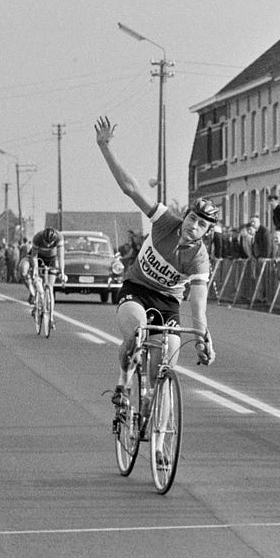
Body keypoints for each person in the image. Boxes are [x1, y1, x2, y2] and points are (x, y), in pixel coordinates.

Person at [94, 116, 216, 415]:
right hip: (136, 290)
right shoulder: (164, 223)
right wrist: (105, 147)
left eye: (201, 225)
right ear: (184, 217)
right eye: (192, 219)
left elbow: (198, 307)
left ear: (206, 232)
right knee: (137, 332)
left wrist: (202, 338)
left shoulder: (199, 259)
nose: (193, 226)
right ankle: (123, 383)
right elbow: (131, 188)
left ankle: (157, 424)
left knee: (167, 357)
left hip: (167, 302)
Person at [19, 227, 64, 308]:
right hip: (38, 256)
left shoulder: (59, 237)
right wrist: (35, 269)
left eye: (50, 243)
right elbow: (34, 256)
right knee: (23, 268)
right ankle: (33, 293)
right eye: (45, 242)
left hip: (51, 258)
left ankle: (50, 313)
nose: (47, 245)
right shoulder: (37, 237)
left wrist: (62, 272)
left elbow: (61, 257)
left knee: (50, 285)